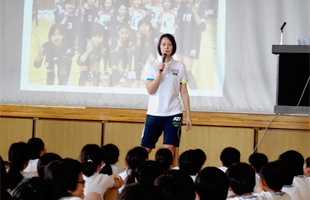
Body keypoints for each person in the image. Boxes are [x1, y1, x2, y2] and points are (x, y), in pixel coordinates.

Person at [141, 33, 191, 160]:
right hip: (155, 112)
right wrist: (159, 73)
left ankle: (167, 178)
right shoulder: (151, 65)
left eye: (169, 44)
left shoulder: (180, 66)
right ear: (159, 46)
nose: (166, 47)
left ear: (173, 47)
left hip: (174, 113)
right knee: (145, 149)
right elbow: (150, 90)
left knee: (169, 151)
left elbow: (184, 92)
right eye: (163, 44)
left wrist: (189, 115)